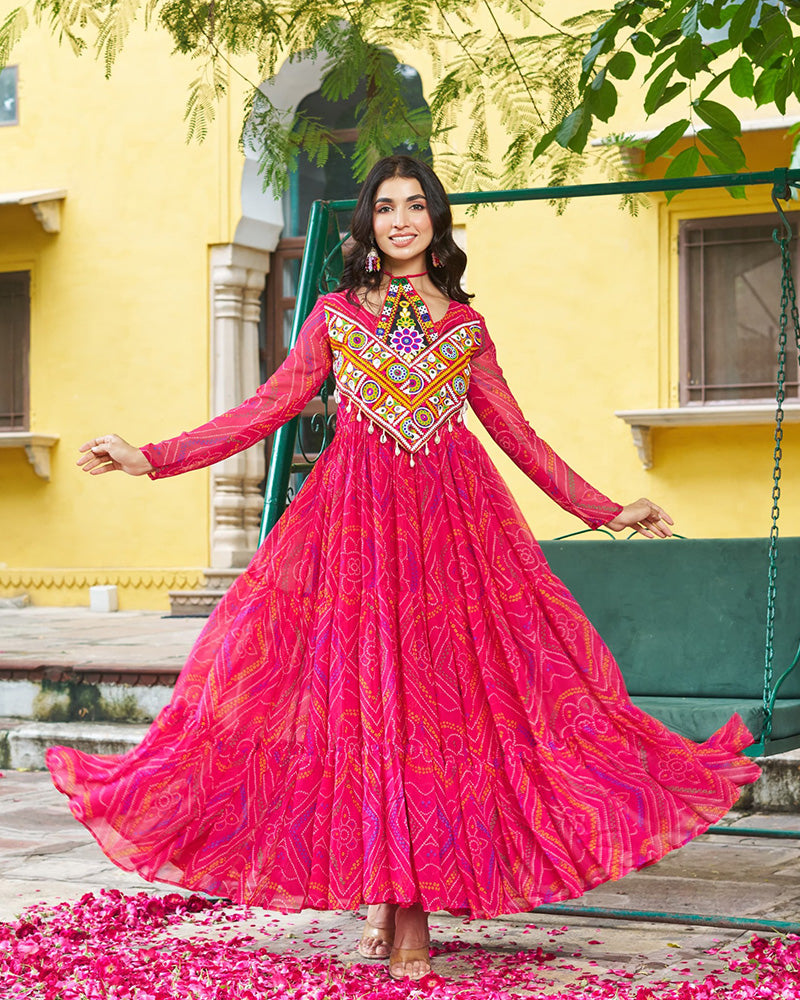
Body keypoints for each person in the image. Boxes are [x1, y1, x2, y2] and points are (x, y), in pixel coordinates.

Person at [49, 155, 760, 983]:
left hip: (454, 538)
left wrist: (605, 508)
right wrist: (153, 456)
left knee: (434, 717)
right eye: (384, 208)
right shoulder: (334, 316)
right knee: (367, 711)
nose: (399, 220)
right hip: (354, 534)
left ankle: (403, 903)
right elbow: (268, 407)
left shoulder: (466, 328)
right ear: (367, 226)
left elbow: (517, 435)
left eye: (414, 206)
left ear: (435, 220)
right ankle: (391, 899)